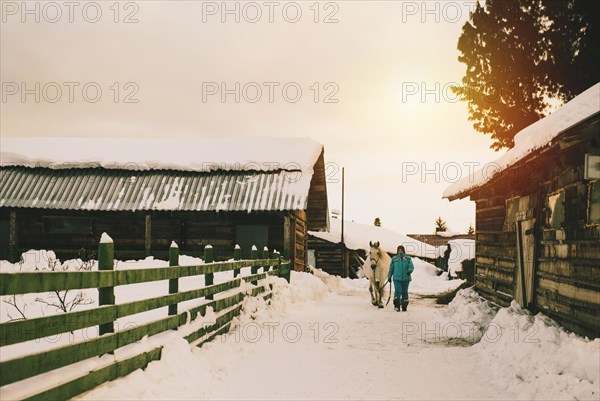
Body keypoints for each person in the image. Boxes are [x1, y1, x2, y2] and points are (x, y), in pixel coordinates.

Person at [388, 245, 415, 312]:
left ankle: (404, 305)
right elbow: (391, 268)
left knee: (404, 292)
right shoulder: (394, 259)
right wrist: (389, 276)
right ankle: (397, 306)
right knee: (398, 291)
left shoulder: (408, 258)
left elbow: (411, 266)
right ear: (397, 251)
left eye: (401, 250)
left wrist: (409, 271)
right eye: (399, 250)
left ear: (403, 250)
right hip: (396, 278)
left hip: (406, 278)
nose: (400, 251)